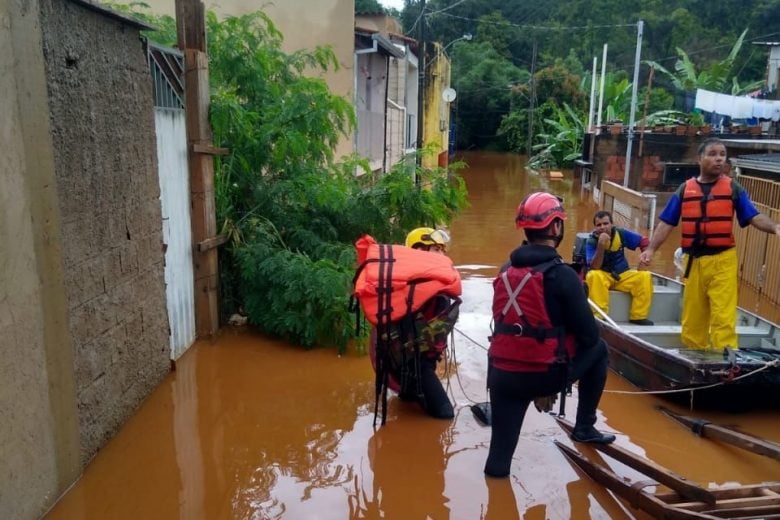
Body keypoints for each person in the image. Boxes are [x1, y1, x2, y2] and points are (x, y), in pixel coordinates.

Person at [484, 192, 615, 479]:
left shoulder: (505, 272)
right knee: (602, 349)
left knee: (497, 465)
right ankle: (584, 426)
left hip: (502, 375)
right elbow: (589, 337)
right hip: (545, 374)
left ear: (525, 229)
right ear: (556, 228)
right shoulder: (564, 276)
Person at [639, 137, 780, 350]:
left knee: (723, 317)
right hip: (694, 262)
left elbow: (754, 216)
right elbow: (666, 222)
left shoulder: (733, 188)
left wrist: (775, 227)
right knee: (693, 319)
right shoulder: (685, 190)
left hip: (723, 260)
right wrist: (650, 249)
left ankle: (725, 362)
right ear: (700, 158)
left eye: (722, 155)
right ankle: (695, 358)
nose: (719, 159)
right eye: (713, 154)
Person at [585, 210, 654, 325]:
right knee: (592, 275)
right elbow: (594, 267)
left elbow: (644, 241)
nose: (602, 227)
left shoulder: (621, 234)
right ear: (595, 228)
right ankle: (600, 316)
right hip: (603, 275)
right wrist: (601, 246)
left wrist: (644, 258)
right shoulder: (591, 241)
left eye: (606, 223)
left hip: (622, 275)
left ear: (612, 224)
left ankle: (638, 316)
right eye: (599, 225)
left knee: (645, 276)